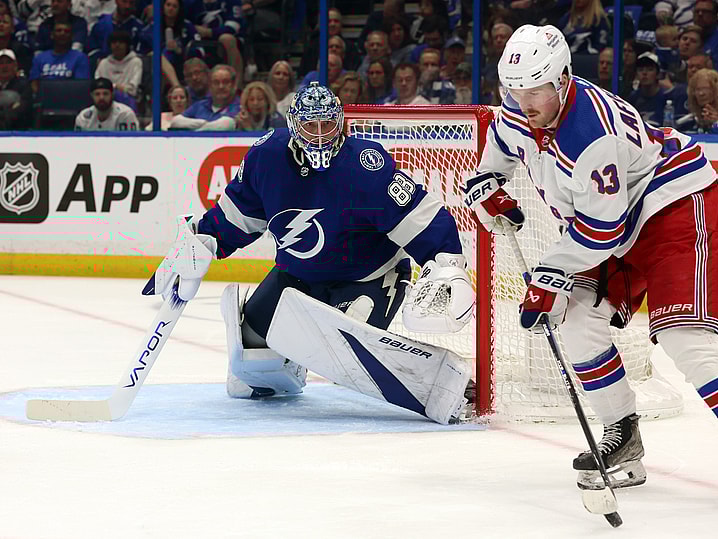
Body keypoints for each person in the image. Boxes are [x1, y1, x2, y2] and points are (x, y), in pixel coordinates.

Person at [463, 24, 718, 509]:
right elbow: (495, 159)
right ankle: (622, 437)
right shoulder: (517, 113)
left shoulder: (591, 133)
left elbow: (600, 233)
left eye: (535, 91)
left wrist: (548, 275)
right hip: (607, 224)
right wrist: (486, 189)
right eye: (515, 91)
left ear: (563, 80)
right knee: (579, 321)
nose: (525, 103)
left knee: (685, 340)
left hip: (669, 207)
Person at [150, 81, 474, 424]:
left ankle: (443, 385)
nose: (319, 135)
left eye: (327, 125)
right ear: (293, 125)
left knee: (343, 352)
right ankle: (289, 365)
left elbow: (420, 218)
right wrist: (199, 241)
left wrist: (446, 264)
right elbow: (236, 216)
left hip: (368, 278)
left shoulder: (366, 166)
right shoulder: (267, 157)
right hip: (297, 278)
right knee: (251, 369)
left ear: (341, 123)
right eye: (310, 125)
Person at [170, 63, 239, 130]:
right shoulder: (200, 105)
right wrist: (203, 123)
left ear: (233, 85)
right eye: (216, 82)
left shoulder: (239, 106)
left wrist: (194, 132)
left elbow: (224, 126)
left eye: (226, 82)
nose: (221, 86)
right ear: (210, 85)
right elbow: (175, 121)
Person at [29, 20, 89, 94]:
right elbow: (34, 83)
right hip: (45, 100)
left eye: (66, 31)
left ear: (72, 36)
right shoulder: (39, 58)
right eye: (58, 30)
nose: (62, 33)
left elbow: (81, 85)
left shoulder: (80, 57)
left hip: (70, 100)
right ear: (52, 35)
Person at [94, 29, 141, 110]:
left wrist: (114, 88)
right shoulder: (104, 63)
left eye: (121, 43)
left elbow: (133, 89)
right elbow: (98, 85)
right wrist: (116, 87)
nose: (117, 45)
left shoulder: (136, 62)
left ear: (127, 45)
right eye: (114, 43)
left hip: (128, 100)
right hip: (105, 100)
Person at [0, 47, 33, 129]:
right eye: (1, 63)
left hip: (18, 130)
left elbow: (22, 108)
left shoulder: (24, 85)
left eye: (8, 63)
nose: (4, 66)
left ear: (15, 65)